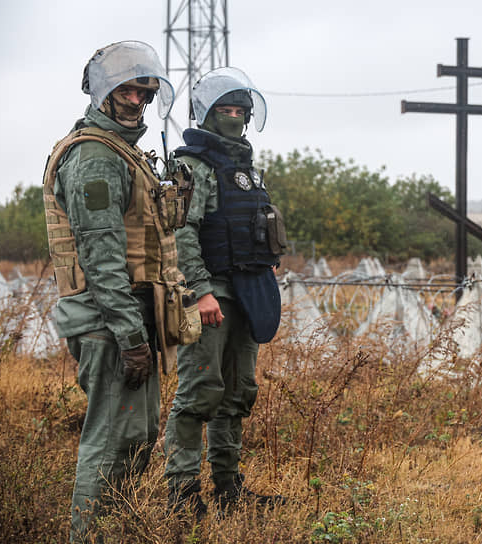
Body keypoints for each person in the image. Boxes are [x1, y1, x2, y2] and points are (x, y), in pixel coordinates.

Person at [42, 41, 196, 542]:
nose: (137, 100)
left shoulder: (124, 153)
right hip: (108, 322)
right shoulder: (93, 157)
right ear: (103, 92)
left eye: (144, 91)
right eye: (127, 90)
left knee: (132, 437)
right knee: (111, 441)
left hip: (125, 319)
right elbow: (101, 256)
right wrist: (130, 336)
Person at [163, 67, 285, 518]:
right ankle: (180, 494)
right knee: (199, 392)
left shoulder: (248, 169)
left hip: (249, 290)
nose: (234, 118)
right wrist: (198, 292)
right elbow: (182, 233)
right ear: (208, 115)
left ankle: (229, 487)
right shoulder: (192, 166)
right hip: (211, 292)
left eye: (240, 111)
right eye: (226, 111)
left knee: (238, 392)